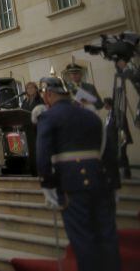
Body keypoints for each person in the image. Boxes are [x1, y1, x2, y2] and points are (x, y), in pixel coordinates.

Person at [37, 71, 120, 271]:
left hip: (70, 183)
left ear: (48, 94)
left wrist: (47, 183)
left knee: (83, 239)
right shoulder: (91, 115)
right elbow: (108, 151)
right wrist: (115, 183)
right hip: (100, 180)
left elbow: (43, 154)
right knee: (107, 236)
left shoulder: (48, 116)